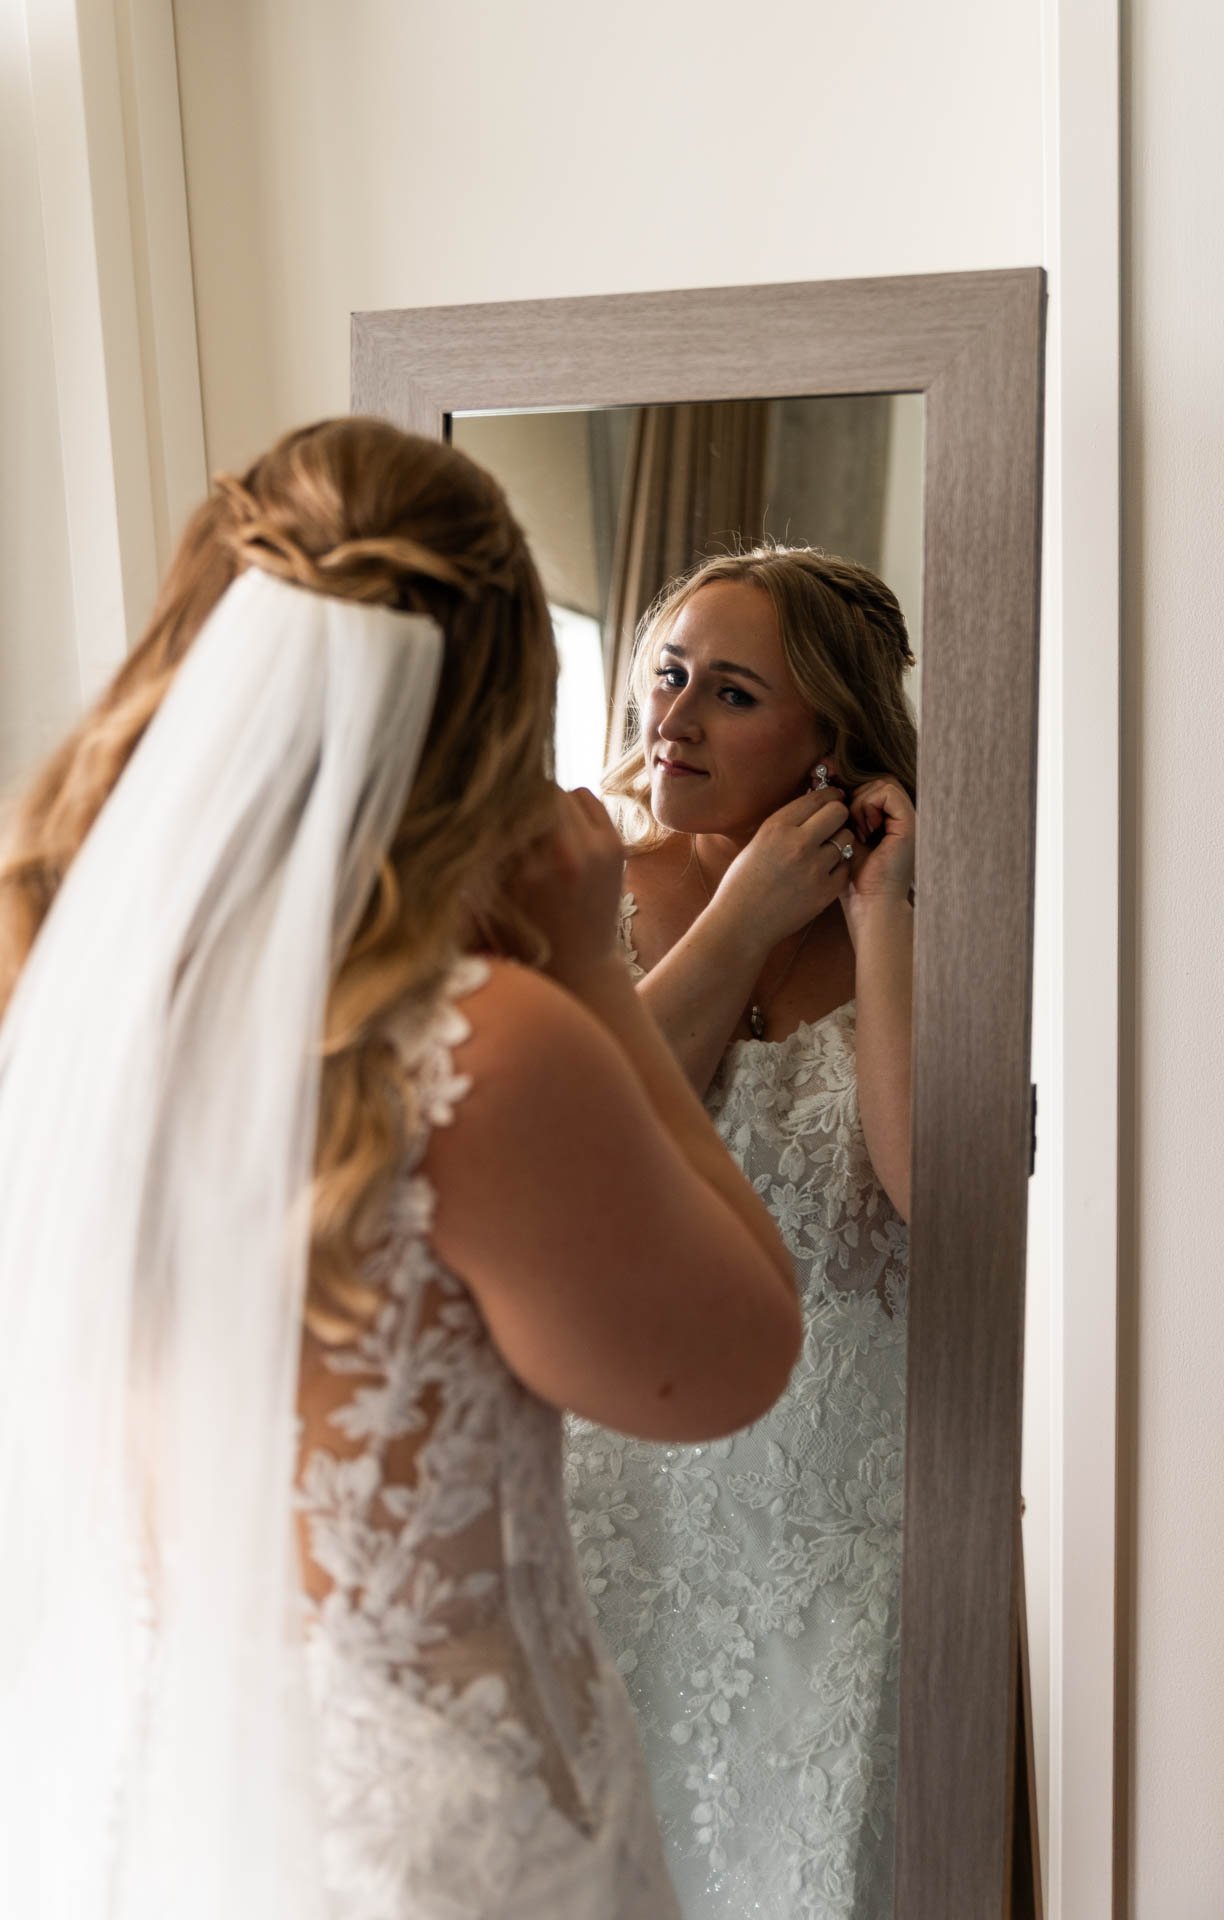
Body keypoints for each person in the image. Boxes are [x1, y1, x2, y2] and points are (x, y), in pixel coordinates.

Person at [0, 420, 803, 1919]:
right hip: (434, 1845)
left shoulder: (51, 982)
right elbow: (737, 1355)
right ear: (492, 719)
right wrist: (589, 968)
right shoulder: (476, 1053)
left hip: (134, 1796)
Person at [563, 545, 917, 1920]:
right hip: (623, 1504)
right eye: (666, 675)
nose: (672, 719)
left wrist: (876, 918)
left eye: (729, 692)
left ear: (827, 732)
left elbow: (922, 1184)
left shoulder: (921, 912)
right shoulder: (582, 879)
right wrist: (741, 913)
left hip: (839, 1529)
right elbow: (599, 1146)